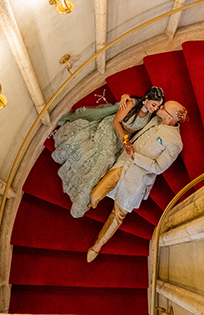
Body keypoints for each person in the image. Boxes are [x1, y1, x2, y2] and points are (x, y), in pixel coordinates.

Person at [85, 100, 187, 262]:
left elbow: (158, 167)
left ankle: (98, 245)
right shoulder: (155, 120)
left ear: (169, 117)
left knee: (118, 215)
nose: (159, 109)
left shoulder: (175, 143)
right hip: (123, 164)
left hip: (137, 180)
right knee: (97, 192)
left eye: (162, 108)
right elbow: (146, 101)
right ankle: (93, 202)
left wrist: (135, 157)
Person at [52, 87, 165, 218]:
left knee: (109, 160)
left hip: (123, 139)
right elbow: (116, 121)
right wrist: (125, 141)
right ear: (146, 98)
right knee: (104, 157)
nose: (155, 108)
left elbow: (165, 116)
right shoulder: (131, 104)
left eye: (158, 106)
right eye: (154, 105)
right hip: (113, 130)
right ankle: (85, 190)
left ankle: (91, 192)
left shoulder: (151, 115)